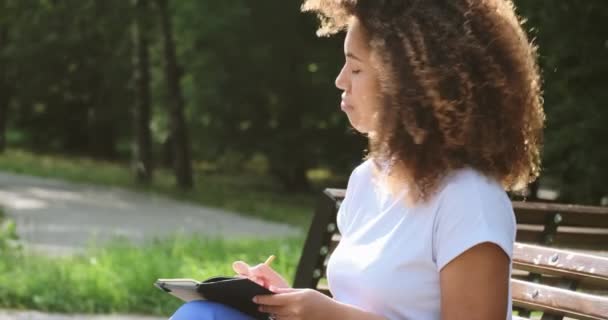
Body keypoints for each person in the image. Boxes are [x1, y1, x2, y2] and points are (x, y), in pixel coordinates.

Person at [170, 0, 544, 319]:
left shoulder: (469, 199)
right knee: (204, 314)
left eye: (356, 67)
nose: (340, 80)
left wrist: (330, 314)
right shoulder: (369, 179)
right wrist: (289, 302)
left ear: (409, 82)